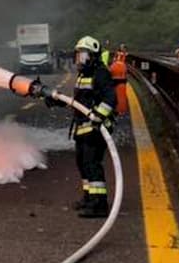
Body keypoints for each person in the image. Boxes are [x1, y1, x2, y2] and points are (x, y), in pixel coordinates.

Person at [9, 35, 116, 218]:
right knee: (83, 163)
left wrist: (98, 115)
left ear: (92, 56)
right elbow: (76, 102)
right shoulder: (84, 75)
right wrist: (53, 99)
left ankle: (100, 204)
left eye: (83, 56)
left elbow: (110, 99)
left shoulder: (101, 74)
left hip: (96, 129)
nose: (79, 60)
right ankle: (89, 198)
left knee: (92, 164)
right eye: (78, 56)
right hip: (83, 128)